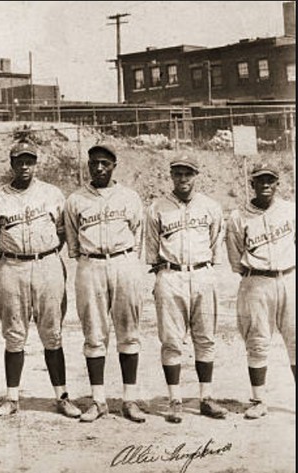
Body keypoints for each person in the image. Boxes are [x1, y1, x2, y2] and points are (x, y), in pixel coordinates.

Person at [0, 142, 81, 419]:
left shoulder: (52, 194)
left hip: (47, 264)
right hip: (12, 266)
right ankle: (12, 398)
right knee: (14, 335)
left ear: (36, 163)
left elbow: (63, 232)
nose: (24, 166)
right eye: (19, 161)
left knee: (52, 333)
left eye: (29, 161)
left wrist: (47, 252)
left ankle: (62, 396)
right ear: (12, 163)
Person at [63, 144, 145, 423]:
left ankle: (129, 400)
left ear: (114, 166)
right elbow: (72, 241)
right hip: (90, 263)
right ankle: (98, 401)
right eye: (94, 163)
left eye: (105, 163)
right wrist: (87, 258)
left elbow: (139, 233)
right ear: (88, 166)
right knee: (94, 335)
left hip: (124, 261)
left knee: (128, 332)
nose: (99, 168)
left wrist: (128, 261)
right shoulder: (75, 199)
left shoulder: (130, 197)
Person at [145, 156, 228, 423]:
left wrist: (206, 268)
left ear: (196, 175)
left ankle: (206, 397)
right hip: (170, 274)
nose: (183, 179)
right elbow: (150, 250)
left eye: (188, 174)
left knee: (205, 338)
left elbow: (216, 244)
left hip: (202, 273)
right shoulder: (157, 207)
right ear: (171, 175)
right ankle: (175, 400)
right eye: (178, 174)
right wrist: (163, 274)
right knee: (171, 340)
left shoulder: (211, 207)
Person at [226, 163, 295, 419]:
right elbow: (235, 257)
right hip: (256, 281)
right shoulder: (238, 216)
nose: (265, 184)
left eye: (270, 180)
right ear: (252, 183)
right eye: (260, 180)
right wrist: (253, 275)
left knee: (296, 339)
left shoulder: (290, 210)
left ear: (277, 183)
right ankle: (258, 400)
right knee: (257, 341)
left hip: (289, 276)